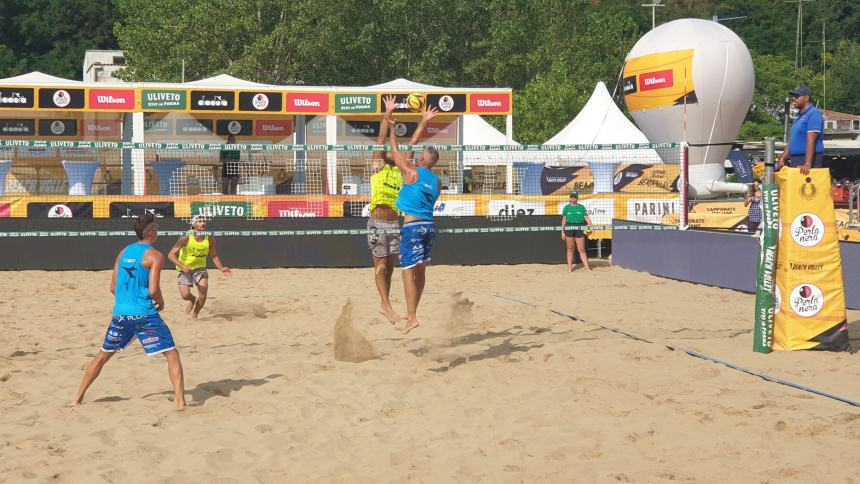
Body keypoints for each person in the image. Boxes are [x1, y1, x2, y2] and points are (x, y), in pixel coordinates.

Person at [70, 214, 186, 409]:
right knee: (171, 354)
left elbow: (113, 287)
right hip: (144, 314)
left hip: (121, 314)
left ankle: (77, 398)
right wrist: (162, 302)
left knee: (103, 355)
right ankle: (181, 402)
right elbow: (153, 290)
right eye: (156, 227)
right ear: (149, 232)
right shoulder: (155, 255)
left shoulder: (123, 252)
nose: (157, 230)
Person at [368, 95, 438, 324]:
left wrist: (424, 120)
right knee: (380, 266)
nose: (391, 154)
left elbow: (413, 143)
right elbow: (380, 139)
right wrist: (387, 115)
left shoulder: (401, 170)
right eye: (389, 153)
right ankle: (385, 305)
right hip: (378, 220)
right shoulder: (378, 165)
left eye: (392, 153)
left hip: (395, 223)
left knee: (391, 267)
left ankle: (386, 305)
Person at [385, 112, 441, 334]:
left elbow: (395, 150)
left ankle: (412, 317)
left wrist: (391, 127)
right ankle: (412, 315)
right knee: (421, 270)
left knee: (407, 270)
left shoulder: (410, 172)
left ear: (421, 160)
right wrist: (425, 121)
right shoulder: (437, 181)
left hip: (412, 227)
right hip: (429, 226)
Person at [168, 214, 232, 320]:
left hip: (199, 267)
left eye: (203, 221)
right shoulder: (186, 236)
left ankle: (195, 315)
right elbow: (171, 255)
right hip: (185, 268)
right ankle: (192, 300)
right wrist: (182, 266)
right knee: (185, 295)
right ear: (193, 224)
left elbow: (214, 255)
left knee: (203, 291)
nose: (202, 223)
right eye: (199, 221)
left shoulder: (209, 238)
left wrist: (221, 268)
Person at [777, 85, 824, 175]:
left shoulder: (813, 113)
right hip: (795, 159)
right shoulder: (798, 116)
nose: (794, 99)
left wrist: (807, 163)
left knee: (805, 189)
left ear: (806, 98)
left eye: (797, 96)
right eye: (793, 96)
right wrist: (783, 158)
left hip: (808, 159)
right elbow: (792, 141)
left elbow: (811, 140)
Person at [560, 191, 592, 272]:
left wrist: (592, 226)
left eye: (574, 196)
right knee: (570, 248)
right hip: (569, 227)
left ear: (577, 198)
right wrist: (562, 231)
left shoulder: (581, 207)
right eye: (572, 196)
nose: (573, 198)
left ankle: (587, 268)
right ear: (570, 197)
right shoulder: (566, 207)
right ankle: (570, 268)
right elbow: (564, 220)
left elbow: (586, 218)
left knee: (581, 249)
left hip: (579, 228)